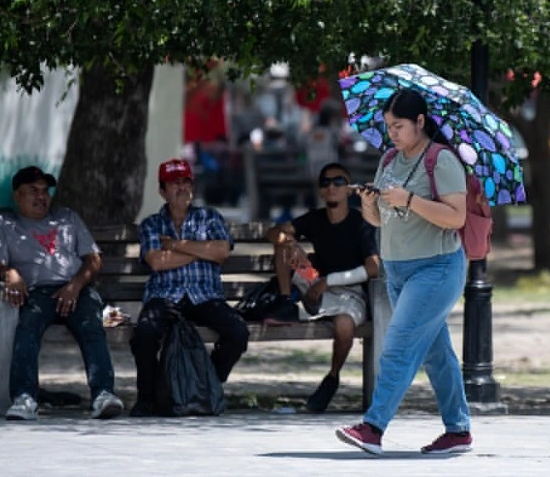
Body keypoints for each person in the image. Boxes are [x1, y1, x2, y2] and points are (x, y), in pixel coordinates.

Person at [336, 88, 472, 455]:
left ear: (421, 122)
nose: (392, 133)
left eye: (398, 126)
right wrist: (369, 204)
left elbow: (456, 217)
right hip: (397, 270)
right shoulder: (389, 160)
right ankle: (458, 431)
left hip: (437, 268)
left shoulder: (442, 160)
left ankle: (373, 427)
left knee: (398, 344)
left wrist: (409, 199)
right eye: (388, 126)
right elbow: (380, 220)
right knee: (436, 353)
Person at [0, 166, 124, 420]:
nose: (41, 196)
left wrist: (75, 286)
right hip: (35, 293)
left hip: (75, 289)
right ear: (16, 195)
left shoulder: (67, 218)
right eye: (33, 191)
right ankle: (25, 398)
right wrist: (9, 273)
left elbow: (94, 260)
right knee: (27, 326)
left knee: (92, 324)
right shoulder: (5, 224)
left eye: (45, 191)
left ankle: (103, 395)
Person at [129, 158, 249, 417]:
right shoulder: (152, 224)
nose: (181, 187)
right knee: (144, 334)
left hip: (205, 296)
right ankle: (147, 398)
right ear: (162, 191)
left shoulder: (210, 217)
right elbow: (157, 262)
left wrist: (176, 245)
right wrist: (201, 251)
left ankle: (207, 385)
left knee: (238, 332)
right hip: (164, 295)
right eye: (174, 183)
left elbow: (221, 252)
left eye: (185, 181)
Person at [264, 162, 380, 413]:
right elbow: (274, 233)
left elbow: (373, 268)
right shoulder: (315, 219)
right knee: (285, 246)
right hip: (315, 282)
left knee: (344, 326)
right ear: (320, 190)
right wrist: (290, 242)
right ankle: (286, 302)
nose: (331, 187)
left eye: (338, 182)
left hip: (348, 293)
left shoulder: (360, 223)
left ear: (349, 190)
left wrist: (331, 281)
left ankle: (332, 377)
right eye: (325, 182)